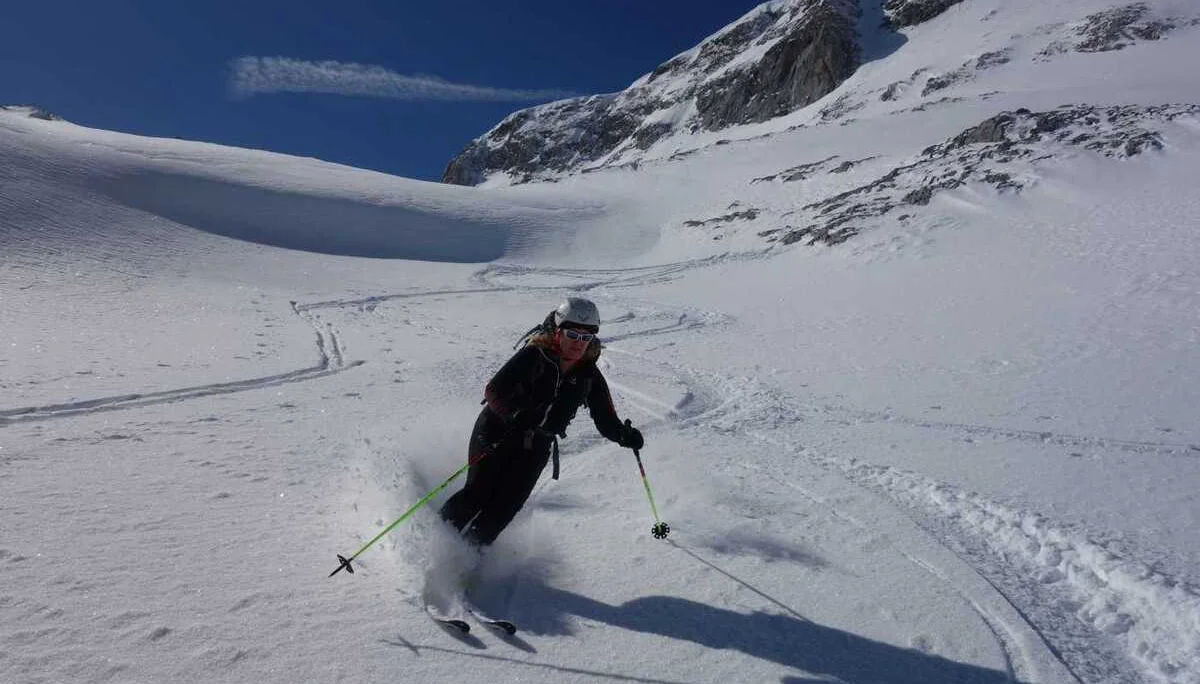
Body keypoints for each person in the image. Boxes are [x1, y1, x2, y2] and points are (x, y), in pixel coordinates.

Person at [439, 297, 644, 547]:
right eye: (572, 334)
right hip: (497, 432)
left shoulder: (588, 376)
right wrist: (513, 414)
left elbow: (605, 417)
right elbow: (494, 390)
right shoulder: (535, 355)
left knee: (504, 509)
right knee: (477, 495)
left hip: (536, 446)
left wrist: (623, 435)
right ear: (558, 331)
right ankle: (434, 544)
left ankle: (466, 560)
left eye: (585, 337)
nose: (577, 343)